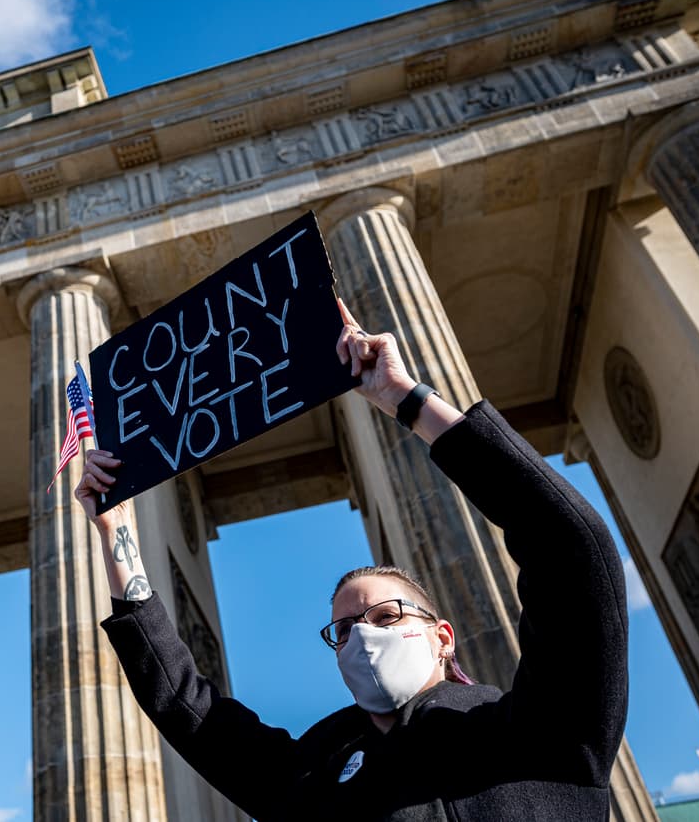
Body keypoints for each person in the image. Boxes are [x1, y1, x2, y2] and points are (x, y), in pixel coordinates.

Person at [74, 299, 628, 821]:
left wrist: (404, 399)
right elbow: (184, 705)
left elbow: (570, 545)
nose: (362, 638)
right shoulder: (311, 775)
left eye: (386, 617)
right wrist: (117, 535)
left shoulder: (538, 727)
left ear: (442, 636)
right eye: (343, 631)